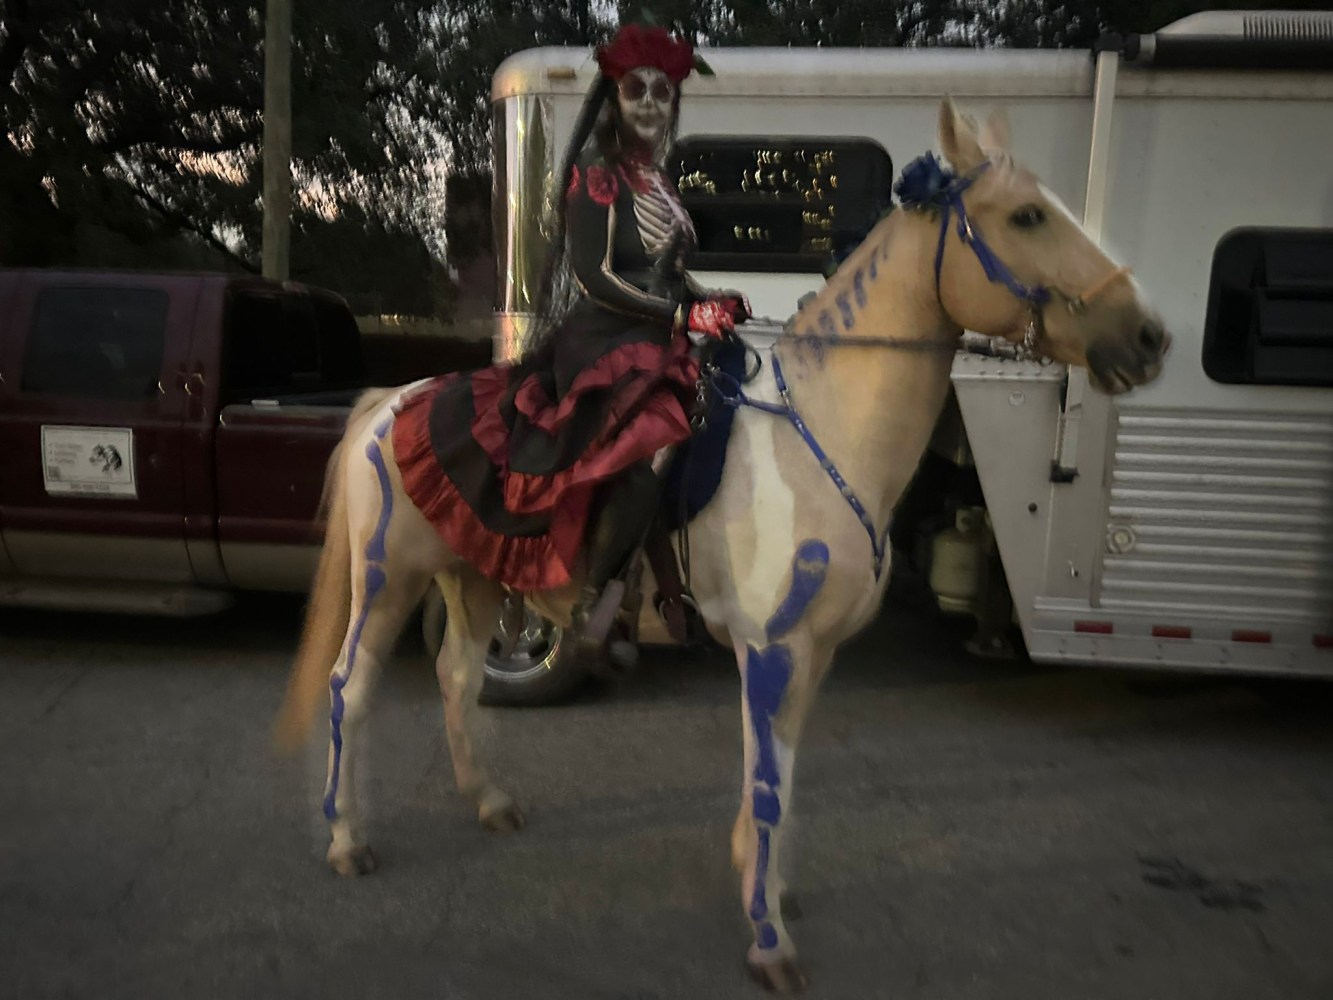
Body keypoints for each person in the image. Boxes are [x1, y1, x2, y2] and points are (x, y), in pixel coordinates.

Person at [392, 23, 749, 675]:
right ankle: (580, 595)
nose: (649, 102)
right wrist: (681, 309)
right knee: (639, 465)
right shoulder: (599, 176)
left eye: (662, 92)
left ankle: (667, 592)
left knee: (687, 450)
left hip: (653, 339)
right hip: (603, 343)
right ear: (613, 97)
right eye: (635, 89)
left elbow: (662, 265)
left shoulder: (656, 180)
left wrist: (712, 299)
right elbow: (595, 275)